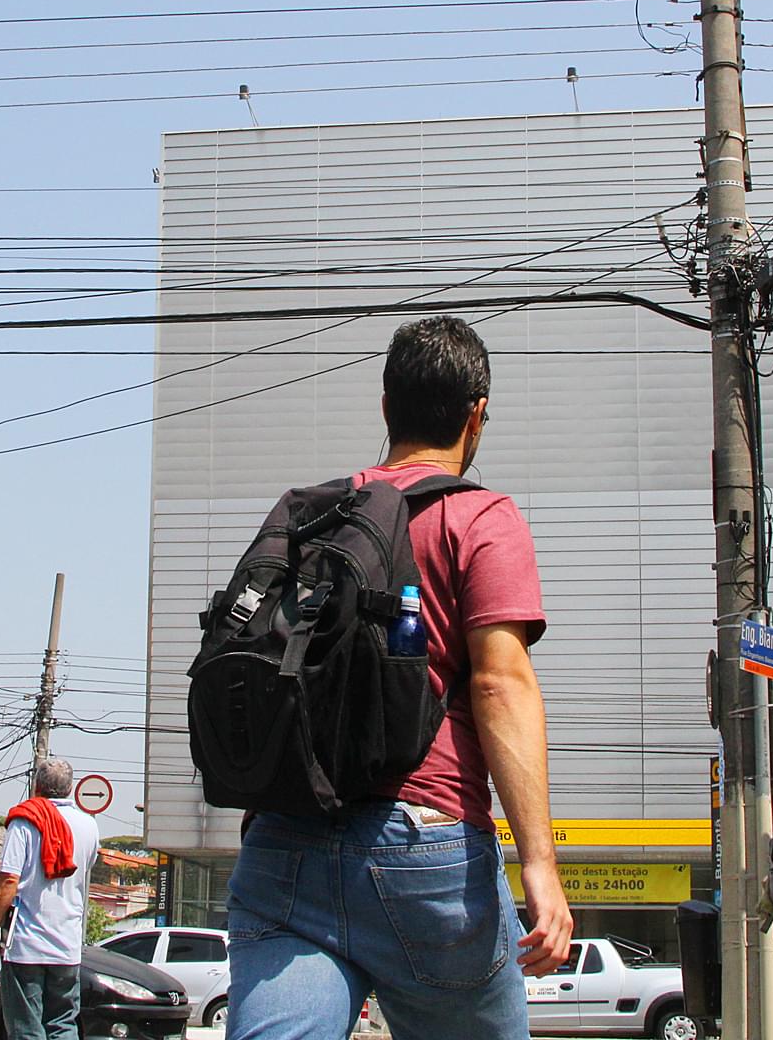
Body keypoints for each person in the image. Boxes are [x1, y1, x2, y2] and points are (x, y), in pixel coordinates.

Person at [227, 315, 573, 1040]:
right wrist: (539, 863)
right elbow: (499, 684)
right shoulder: (480, 516)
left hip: (284, 845)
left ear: (386, 407)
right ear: (477, 417)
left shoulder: (311, 517)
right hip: (425, 850)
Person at [0, 757, 99, 1040]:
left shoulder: (25, 822)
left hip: (26, 945)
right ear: (70, 788)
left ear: (36, 785)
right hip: (67, 945)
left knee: (27, 1028)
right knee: (62, 1025)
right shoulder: (88, 826)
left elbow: (8, 881)